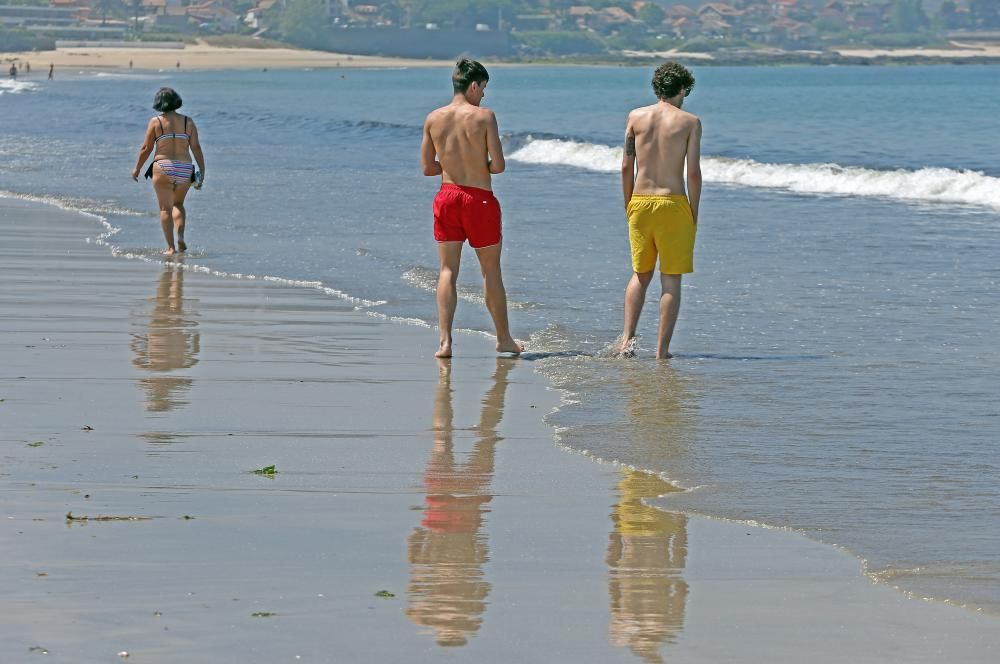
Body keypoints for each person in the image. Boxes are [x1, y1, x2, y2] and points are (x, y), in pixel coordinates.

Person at [420, 58, 523, 359]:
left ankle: (445, 343)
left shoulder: (433, 118)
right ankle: (504, 339)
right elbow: (499, 166)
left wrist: (451, 166)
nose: (484, 96)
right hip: (478, 199)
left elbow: (428, 167)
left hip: (447, 197)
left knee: (447, 270)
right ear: (473, 85)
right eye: (483, 89)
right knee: (490, 269)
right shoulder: (484, 117)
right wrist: (479, 166)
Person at [619, 62, 702, 359]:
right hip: (673, 203)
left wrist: (628, 202)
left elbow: (627, 164)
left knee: (640, 274)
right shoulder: (690, 122)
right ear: (683, 89)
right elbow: (693, 172)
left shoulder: (636, 117)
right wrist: (694, 209)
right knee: (671, 278)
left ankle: (626, 341)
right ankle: (661, 351)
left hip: (640, 201)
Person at [131, 87, 206, 255]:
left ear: (158, 102)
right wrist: (202, 169)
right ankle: (180, 236)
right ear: (176, 101)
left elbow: (146, 148)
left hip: (162, 167)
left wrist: (137, 168)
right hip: (185, 168)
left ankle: (171, 248)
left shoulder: (156, 122)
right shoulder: (188, 122)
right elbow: (196, 147)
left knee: (165, 208)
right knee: (178, 204)